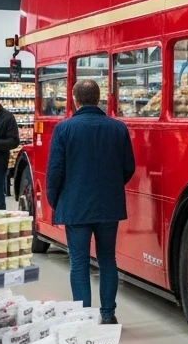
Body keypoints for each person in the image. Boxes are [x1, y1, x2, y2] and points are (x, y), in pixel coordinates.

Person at [45, 79, 135, 325]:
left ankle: (83, 317)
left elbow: (55, 171)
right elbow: (129, 168)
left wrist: (56, 200)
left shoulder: (64, 129)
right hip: (109, 204)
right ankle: (108, 314)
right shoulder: (118, 128)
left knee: (79, 262)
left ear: (75, 99)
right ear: (99, 99)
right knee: (107, 259)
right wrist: (111, 187)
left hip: (75, 205)